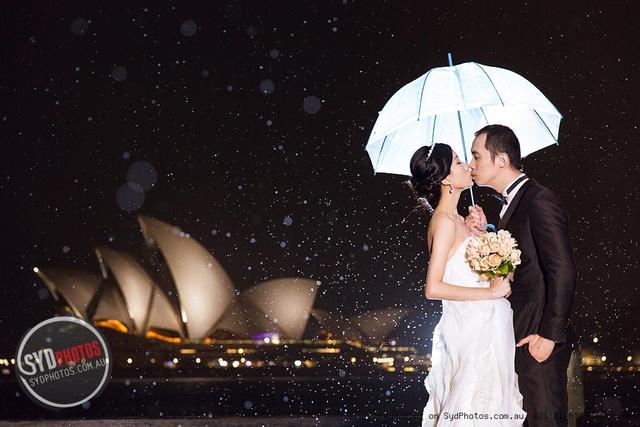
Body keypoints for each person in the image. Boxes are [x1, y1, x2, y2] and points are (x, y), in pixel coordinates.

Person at [405, 143, 526, 426]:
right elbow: (432, 288)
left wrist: (485, 231)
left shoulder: (461, 220)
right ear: (446, 178)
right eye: (459, 162)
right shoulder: (445, 222)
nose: (467, 166)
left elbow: (491, 275)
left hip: (490, 328)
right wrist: (489, 293)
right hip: (472, 332)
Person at [466, 124, 578, 427]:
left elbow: (562, 269)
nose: (471, 165)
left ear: (501, 160)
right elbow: (519, 264)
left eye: (476, 157)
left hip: (536, 338)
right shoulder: (511, 204)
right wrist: (488, 231)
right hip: (517, 335)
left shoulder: (539, 200)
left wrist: (549, 335)